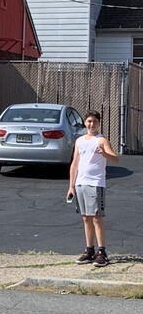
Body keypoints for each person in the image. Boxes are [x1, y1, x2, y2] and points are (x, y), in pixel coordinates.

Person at [67, 110, 119, 267]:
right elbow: (75, 163)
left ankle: (102, 252)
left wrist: (105, 154)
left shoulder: (101, 140)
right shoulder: (80, 141)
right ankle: (89, 250)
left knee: (96, 217)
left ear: (99, 123)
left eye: (95, 122)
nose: (92, 124)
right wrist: (71, 186)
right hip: (80, 183)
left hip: (95, 183)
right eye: (89, 121)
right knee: (86, 217)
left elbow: (116, 159)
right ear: (85, 122)